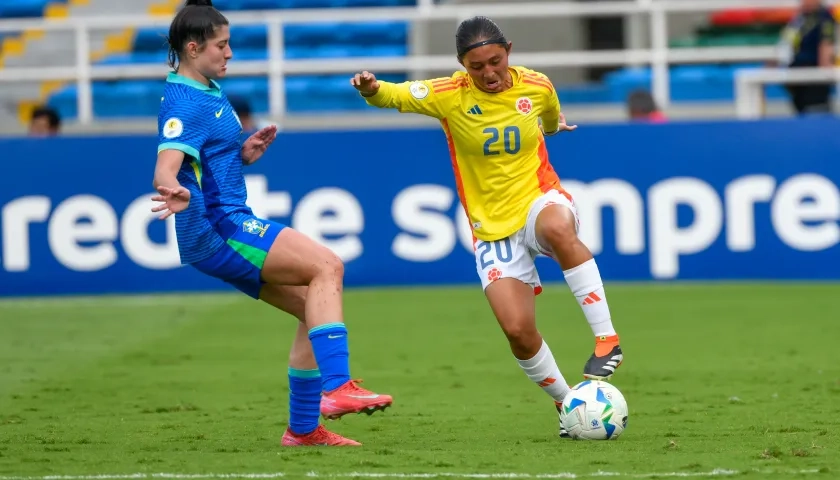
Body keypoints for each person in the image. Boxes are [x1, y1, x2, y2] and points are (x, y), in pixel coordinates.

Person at [351, 16, 622, 438]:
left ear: (508, 50)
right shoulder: (448, 95)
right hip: (492, 228)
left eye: (495, 61)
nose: (488, 73)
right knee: (517, 331)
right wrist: (370, 88)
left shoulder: (537, 85)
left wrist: (556, 128)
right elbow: (394, 94)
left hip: (538, 197)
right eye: (476, 67)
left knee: (558, 229)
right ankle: (569, 403)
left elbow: (550, 118)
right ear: (462, 65)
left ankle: (606, 340)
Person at [151, 0, 392, 447]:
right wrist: (174, 189)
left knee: (312, 305)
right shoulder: (185, 101)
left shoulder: (203, 89)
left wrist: (240, 154)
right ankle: (337, 388)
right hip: (218, 226)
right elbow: (166, 168)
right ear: (192, 46)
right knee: (328, 266)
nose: (229, 53)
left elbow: (201, 159)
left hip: (219, 224)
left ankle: (302, 430)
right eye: (221, 45)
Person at [777, 0, 837, 114]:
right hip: (797, 77)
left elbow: (826, 45)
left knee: (816, 114)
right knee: (802, 112)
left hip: (813, 78)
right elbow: (786, 43)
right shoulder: (800, 18)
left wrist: (824, 76)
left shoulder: (824, 18)